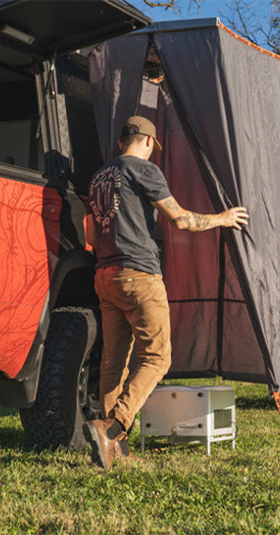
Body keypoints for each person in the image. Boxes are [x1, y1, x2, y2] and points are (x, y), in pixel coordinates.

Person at [83, 115, 248, 469]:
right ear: (146, 141)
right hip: (138, 274)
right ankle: (113, 427)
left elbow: (92, 236)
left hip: (104, 274)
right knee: (158, 357)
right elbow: (181, 219)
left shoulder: (99, 178)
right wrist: (222, 218)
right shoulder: (143, 171)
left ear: (120, 142)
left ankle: (115, 449)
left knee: (114, 362)